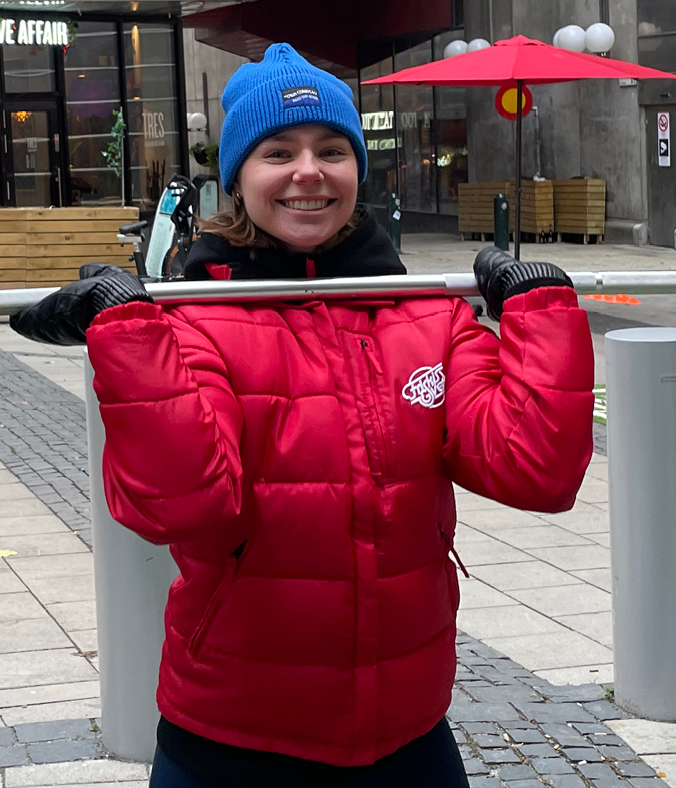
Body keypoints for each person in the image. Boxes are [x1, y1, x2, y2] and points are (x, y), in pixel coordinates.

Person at [10, 43, 595, 787]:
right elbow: (184, 506)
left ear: (358, 168)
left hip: (408, 734)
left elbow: (535, 471)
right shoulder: (193, 322)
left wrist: (539, 313)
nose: (309, 171)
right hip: (233, 739)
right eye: (277, 151)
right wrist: (129, 340)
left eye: (330, 150)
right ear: (238, 179)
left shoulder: (430, 319)